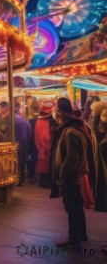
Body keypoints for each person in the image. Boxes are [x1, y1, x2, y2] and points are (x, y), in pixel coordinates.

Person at [50, 97, 93, 248]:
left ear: (60, 112)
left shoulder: (70, 132)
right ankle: (81, 234)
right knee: (77, 204)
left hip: (72, 177)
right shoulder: (78, 127)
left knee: (72, 206)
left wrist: (62, 175)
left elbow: (72, 157)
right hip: (77, 175)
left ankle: (74, 238)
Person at [35, 100, 56, 188]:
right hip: (46, 151)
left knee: (43, 169)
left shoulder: (39, 121)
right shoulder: (46, 122)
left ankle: (44, 183)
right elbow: (46, 138)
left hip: (41, 149)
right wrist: (52, 147)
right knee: (47, 169)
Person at [12, 102, 31, 186]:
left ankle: (19, 178)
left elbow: (23, 135)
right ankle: (20, 178)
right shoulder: (22, 118)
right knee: (20, 162)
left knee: (19, 162)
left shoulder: (17, 119)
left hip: (20, 143)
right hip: (23, 143)